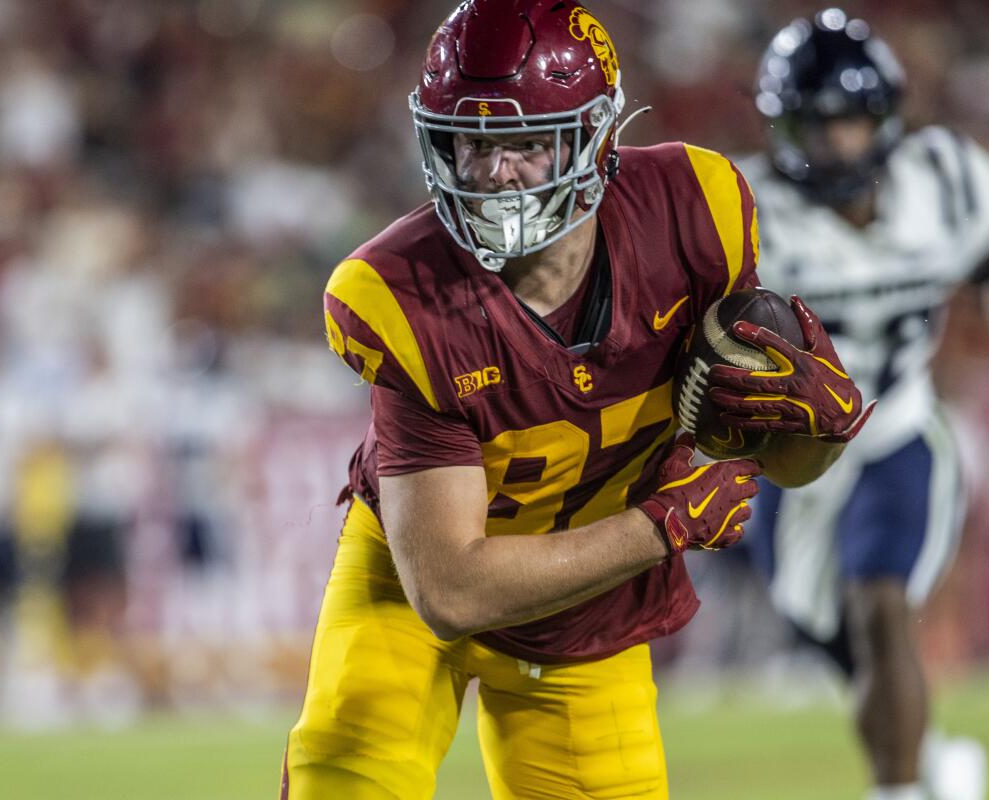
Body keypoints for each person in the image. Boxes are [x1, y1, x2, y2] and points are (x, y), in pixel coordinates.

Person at [281, 2, 871, 798]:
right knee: (346, 779)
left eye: (525, 143)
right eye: (474, 144)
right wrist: (659, 525)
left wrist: (818, 434)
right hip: (411, 586)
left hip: (587, 614)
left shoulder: (695, 215)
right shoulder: (400, 293)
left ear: (596, 139)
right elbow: (451, 591)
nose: (495, 174)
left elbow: (771, 468)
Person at [727, 10, 989, 800]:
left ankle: (901, 789)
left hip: (896, 431)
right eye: (818, 123)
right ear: (784, 126)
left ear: (887, 119)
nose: (839, 142)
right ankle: (937, 759)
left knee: (879, 605)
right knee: (822, 627)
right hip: (795, 456)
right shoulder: (744, 208)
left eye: (853, 121)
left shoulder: (942, 182)